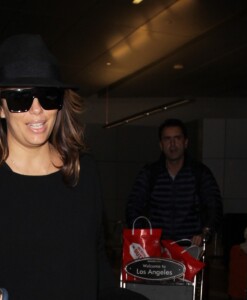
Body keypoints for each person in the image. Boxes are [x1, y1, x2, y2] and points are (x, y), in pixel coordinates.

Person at [0, 34, 148, 300]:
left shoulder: (83, 172)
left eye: (48, 96)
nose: (37, 110)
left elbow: (98, 267)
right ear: (1, 108)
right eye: (20, 99)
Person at [126, 118, 223, 246]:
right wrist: (144, 236)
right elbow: (132, 208)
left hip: (190, 250)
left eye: (177, 138)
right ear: (161, 145)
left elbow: (214, 208)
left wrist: (205, 233)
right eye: (167, 139)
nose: (172, 144)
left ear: (186, 142)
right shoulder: (150, 173)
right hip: (157, 251)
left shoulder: (199, 172)